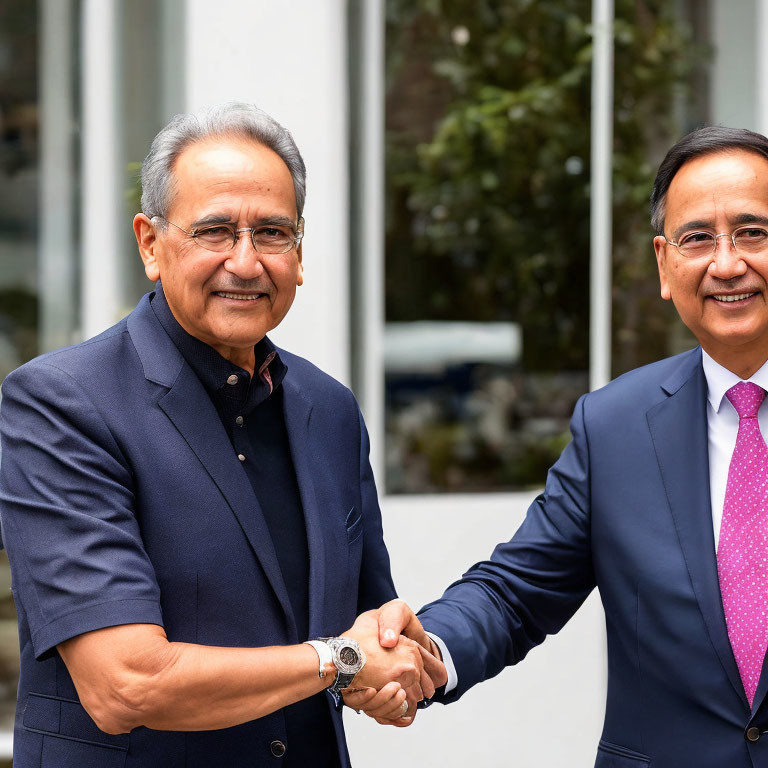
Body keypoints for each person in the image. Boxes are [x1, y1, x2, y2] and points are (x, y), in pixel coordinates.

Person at [0, 102, 444, 768]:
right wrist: (340, 660)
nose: (245, 262)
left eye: (272, 232)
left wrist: (402, 664)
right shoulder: (63, 404)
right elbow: (126, 683)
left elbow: (369, 629)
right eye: (214, 231)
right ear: (151, 245)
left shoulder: (329, 411)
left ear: (299, 253)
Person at [351, 126, 768, 766]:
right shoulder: (616, 427)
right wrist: (427, 652)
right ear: (664, 264)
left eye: (753, 232)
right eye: (697, 239)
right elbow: (516, 593)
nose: (727, 263)